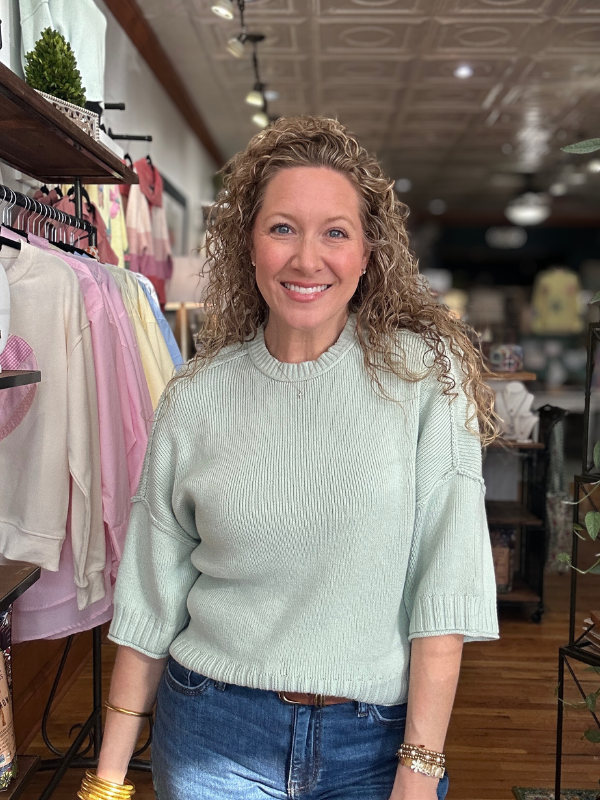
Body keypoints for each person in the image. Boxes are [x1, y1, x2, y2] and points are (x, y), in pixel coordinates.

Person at [78, 116, 499, 800]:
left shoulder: (427, 379)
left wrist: (418, 770)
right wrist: (106, 780)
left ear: (369, 255)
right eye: (282, 228)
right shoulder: (194, 397)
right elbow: (151, 599)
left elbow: (444, 588)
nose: (308, 259)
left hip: (375, 740)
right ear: (249, 246)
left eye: (335, 231)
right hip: (214, 733)